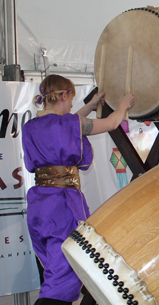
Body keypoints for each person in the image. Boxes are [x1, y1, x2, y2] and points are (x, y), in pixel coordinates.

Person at [22, 75, 134, 305]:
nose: (72, 105)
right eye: (70, 99)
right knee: (66, 271)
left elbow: (67, 127)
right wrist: (123, 104)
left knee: (61, 265)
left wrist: (90, 106)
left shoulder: (31, 126)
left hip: (41, 205)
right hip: (62, 205)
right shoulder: (68, 124)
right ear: (63, 95)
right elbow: (112, 123)